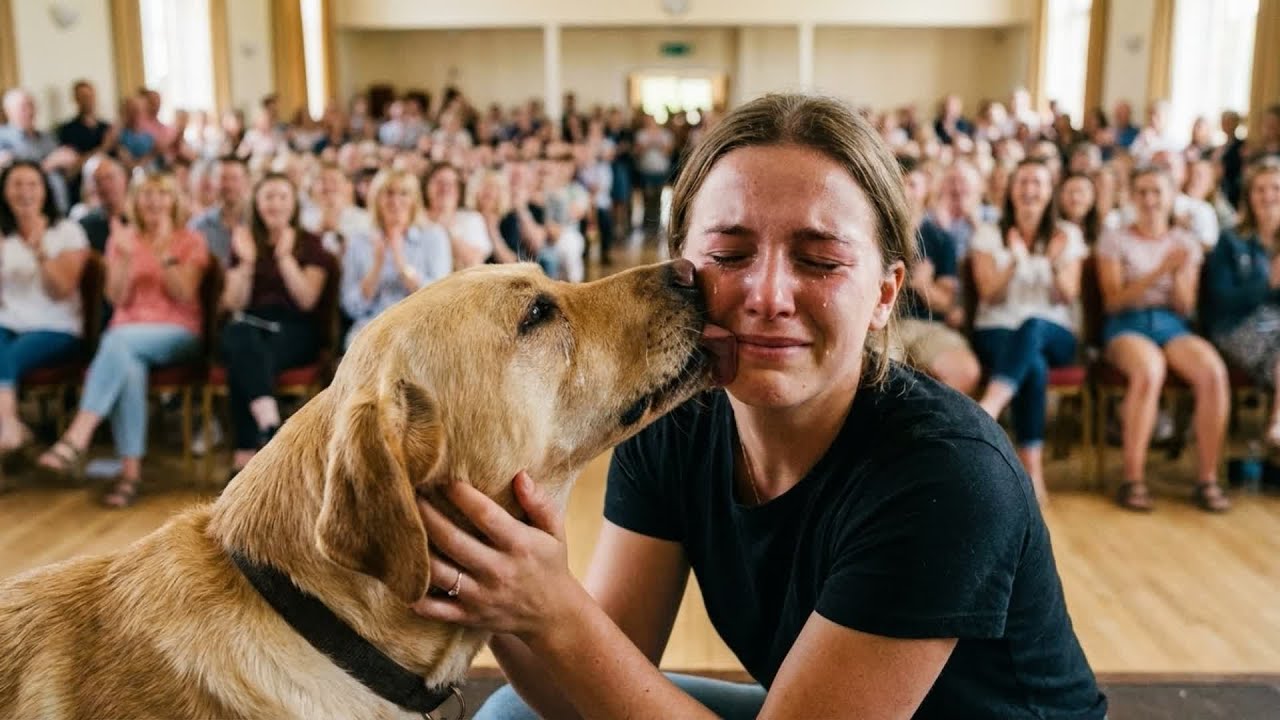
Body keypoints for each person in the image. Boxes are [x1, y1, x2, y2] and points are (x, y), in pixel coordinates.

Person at [411, 94, 1107, 720]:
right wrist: (505, 591)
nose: (768, 295)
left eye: (820, 261)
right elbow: (580, 691)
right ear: (682, 269)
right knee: (516, 717)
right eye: (730, 253)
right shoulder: (676, 421)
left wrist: (554, 610)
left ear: (885, 294)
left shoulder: (950, 473)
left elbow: (577, 640)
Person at [35, 172, 209, 507]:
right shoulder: (122, 239)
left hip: (178, 332)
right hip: (126, 335)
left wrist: (165, 252)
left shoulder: (190, 240)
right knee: (128, 364)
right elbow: (115, 298)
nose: (154, 202)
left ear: (173, 201)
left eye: (162, 194)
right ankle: (130, 475)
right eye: (146, 195)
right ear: (136, 201)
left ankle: (77, 436)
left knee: (118, 342)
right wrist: (127, 255)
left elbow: (184, 291)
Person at [1096, 166, 1230, 512]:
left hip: (1172, 324)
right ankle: (1132, 478)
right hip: (1127, 323)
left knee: (1212, 372)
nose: (1150, 200)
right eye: (1142, 192)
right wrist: (1161, 271)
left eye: (1157, 192)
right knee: (1149, 370)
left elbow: (1185, 305)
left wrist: (1181, 274)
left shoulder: (1184, 243)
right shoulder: (1114, 239)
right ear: (1131, 197)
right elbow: (1113, 301)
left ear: (1171, 197)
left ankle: (1207, 478)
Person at [970, 159, 1088, 505]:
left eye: (1037, 183)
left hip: (1054, 332)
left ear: (1050, 190)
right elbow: (989, 293)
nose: (1029, 190)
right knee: (1032, 365)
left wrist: (1051, 261)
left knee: (1033, 326)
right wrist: (1015, 259)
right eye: (1022, 182)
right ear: (1011, 189)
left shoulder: (1068, 234)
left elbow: (1068, 293)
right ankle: (1032, 467)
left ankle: (989, 406)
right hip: (997, 329)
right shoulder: (990, 232)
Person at [219, 173, 335, 478]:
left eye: (283, 197)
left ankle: (245, 454)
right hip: (252, 324)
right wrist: (245, 264)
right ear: (256, 203)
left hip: (295, 329)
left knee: (241, 357)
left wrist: (284, 258)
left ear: (294, 203)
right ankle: (269, 424)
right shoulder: (245, 242)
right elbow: (233, 302)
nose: (276, 204)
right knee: (240, 335)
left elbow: (307, 299)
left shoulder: (310, 243)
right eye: (269, 196)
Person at [0, 162, 90, 466]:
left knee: (6, 356)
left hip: (57, 327)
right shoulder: (3, 234)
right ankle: (11, 427)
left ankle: (10, 426)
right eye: (16, 184)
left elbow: (62, 289)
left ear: (45, 190)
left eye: (32, 184)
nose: (24, 192)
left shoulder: (67, 231)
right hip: (9, 323)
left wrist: (39, 250)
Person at [1201, 158, 1280, 446]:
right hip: (1236, 325)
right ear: (1249, 196)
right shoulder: (1231, 241)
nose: (1268, 196)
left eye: (1275, 188)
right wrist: (1268, 283)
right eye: (1260, 190)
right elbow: (1222, 300)